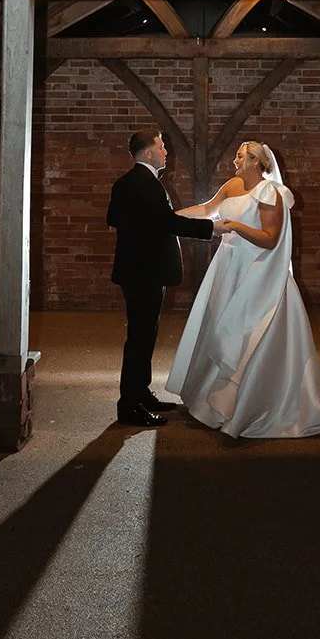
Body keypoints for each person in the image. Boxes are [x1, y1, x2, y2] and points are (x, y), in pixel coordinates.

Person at [165, 141, 320, 438]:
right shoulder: (233, 185)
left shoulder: (270, 193)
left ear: (256, 162)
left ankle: (249, 402)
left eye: (240, 156)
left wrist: (235, 226)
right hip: (227, 268)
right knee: (219, 326)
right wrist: (169, 219)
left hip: (256, 270)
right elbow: (208, 209)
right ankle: (210, 397)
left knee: (246, 333)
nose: (235, 159)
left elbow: (270, 238)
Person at [106, 129, 226, 427]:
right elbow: (166, 222)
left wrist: (143, 227)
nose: (166, 152)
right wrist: (212, 229)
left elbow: (114, 218)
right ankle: (130, 406)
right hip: (145, 271)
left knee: (144, 335)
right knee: (140, 338)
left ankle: (141, 393)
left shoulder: (125, 183)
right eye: (161, 147)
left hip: (136, 270)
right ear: (148, 153)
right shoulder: (146, 184)